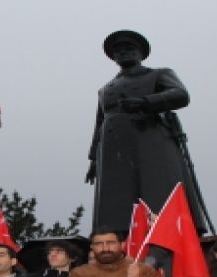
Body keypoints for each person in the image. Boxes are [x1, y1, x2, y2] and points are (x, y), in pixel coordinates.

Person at [86, 30, 205, 233]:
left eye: (129, 49)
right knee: (115, 199)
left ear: (141, 53)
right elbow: (100, 123)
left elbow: (181, 95)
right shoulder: (105, 89)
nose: (123, 53)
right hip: (113, 146)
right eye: (118, 51)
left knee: (157, 188)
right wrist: (94, 159)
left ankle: (164, 229)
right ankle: (117, 234)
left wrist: (145, 102)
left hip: (150, 138)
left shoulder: (158, 74)